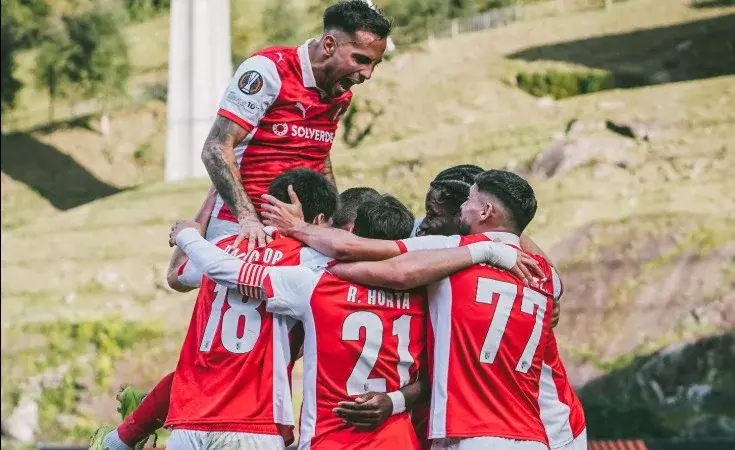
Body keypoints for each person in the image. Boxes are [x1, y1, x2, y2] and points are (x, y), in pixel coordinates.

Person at [168, 198, 532, 449]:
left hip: (329, 438)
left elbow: (229, 271)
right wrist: (395, 401)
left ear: (353, 233)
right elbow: (438, 374)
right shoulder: (429, 294)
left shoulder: (317, 282)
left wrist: (187, 234)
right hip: (398, 440)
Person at [262, 169, 565, 449]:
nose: (462, 207)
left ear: (485, 211)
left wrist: (304, 237)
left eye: (469, 201)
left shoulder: (453, 252)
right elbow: (554, 290)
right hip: (539, 432)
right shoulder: (544, 274)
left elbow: (388, 267)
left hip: (471, 431)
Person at [89, 169, 340, 450]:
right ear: (319, 220)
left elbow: (176, 275)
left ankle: (122, 435)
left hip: (189, 425)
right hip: (253, 424)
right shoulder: (313, 261)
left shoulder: (221, 246)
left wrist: (205, 209)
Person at [199, 0, 392, 250]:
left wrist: (333, 221)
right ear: (329, 45)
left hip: (299, 227)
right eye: (360, 59)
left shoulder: (341, 94)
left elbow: (319, 155)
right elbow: (215, 148)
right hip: (242, 226)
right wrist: (248, 219)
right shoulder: (268, 70)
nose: (367, 74)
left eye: (374, 64)